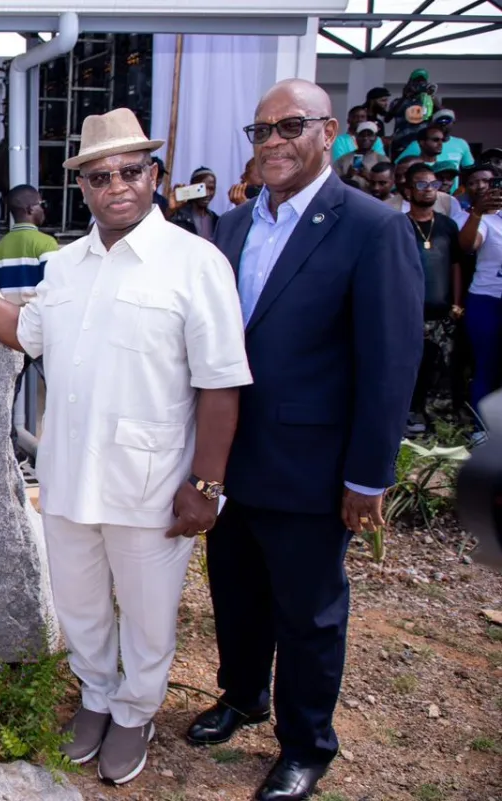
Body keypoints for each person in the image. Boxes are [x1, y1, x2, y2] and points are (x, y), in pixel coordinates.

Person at [0, 108, 252, 788]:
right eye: (99, 176)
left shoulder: (195, 264)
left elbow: (221, 385)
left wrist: (207, 485)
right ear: (82, 186)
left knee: (147, 614)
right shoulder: (64, 266)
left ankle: (136, 711)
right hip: (67, 475)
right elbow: (25, 331)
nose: (117, 185)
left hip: (150, 481)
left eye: (130, 171)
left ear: (154, 176)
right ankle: (95, 697)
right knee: (82, 606)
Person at [186, 80, 423, 801]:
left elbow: (390, 362)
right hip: (230, 458)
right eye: (261, 131)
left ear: (328, 132)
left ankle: (306, 743)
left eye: (290, 126)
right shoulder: (230, 226)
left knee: (309, 613)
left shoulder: (371, 228)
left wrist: (368, 476)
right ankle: (243, 696)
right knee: (236, 591)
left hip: (312, 467)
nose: (273, 142)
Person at [403, 163, 466, 436]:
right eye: (421, 184)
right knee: (410, 368)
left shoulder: (447, 225)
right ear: (408, 190)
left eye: (433, 184)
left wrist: (457, 303)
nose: (428, 189)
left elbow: (456, 265)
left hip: (443, 313)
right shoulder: (398, 226)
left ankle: (440, 420)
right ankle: (410, 414)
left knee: (443, 368)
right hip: (410, 314)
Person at [457, 163, 502, 440]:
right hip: (487, 301)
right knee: (486, 366)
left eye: (490, 182)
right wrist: (477, 213)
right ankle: (481, 430)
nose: (484, 187)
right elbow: (467, 245)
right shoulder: (483, 219)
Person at [0, 184, 59, 305]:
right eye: (41, 204)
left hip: (8, 314)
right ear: (30, 209)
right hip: (38, 314)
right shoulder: (47, 243)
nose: (43, 209)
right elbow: (55, 288)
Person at [400, 109, 474, 175]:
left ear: (453, 122)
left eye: (447, 120)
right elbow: (399, 166)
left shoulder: (461, 144)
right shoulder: (416, 144)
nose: (443, 123)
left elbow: (469, 170)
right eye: (440, 120)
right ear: (433, 123)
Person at [385, 68, 438, 158]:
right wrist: (404, 97)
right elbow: (387, 118)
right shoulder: (398, 101)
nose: (419, 84)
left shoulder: (428, 102)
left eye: (422, 82)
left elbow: (442, 113)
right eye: (417, 81)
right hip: (401, 143)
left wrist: (431, 96)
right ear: (410, 82)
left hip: (422, 145)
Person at [168, 166, 220, 240]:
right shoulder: (178, 216)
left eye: (211, 188)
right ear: (191, 187)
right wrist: (171, 211)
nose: (207, 193)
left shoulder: (216, 220)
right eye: (202, 188)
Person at [333, 122, 387, 186]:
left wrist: (368, 177)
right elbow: (333, 183)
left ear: (375, 138)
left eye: (369, 135)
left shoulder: (382, 160)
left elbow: (387, 185)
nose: (365, 138)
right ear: (356, 136)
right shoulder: (343, 159)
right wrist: (347, 176)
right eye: (362, 135)